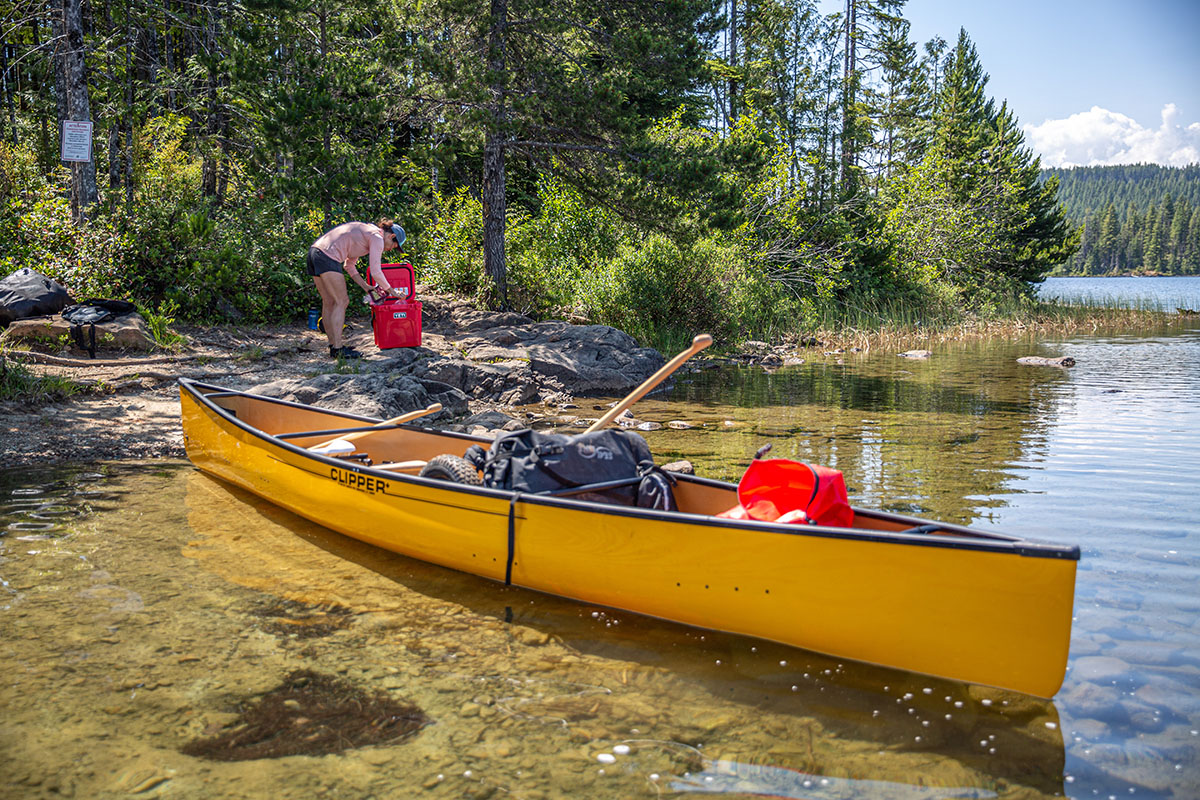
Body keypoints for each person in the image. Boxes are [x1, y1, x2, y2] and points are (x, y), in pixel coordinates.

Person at [306, 217, 407, 359]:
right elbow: (376, 272)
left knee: (329, 301)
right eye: (393, 245)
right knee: (342, 301)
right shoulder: (377, 237)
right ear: (392, 236)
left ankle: (333, 345)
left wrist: (366, 286)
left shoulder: (367, 235)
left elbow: (349, 266)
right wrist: (392, 291)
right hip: (327, 256)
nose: (390, 249)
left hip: (315, 252)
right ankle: (338, 348)